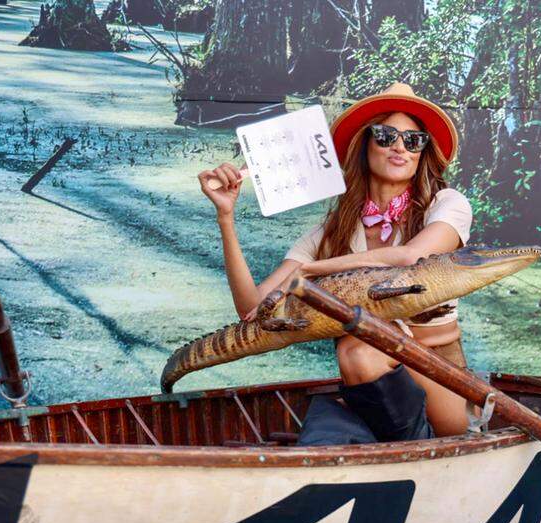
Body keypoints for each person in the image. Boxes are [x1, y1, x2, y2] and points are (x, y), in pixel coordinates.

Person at [198, 82, 473, 445]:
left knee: (356, 350)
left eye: (413, 140)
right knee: (357, 352)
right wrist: (226, 218)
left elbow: (411, 258)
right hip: (373, 379)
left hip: (439, 377)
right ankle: (393, 452)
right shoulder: (333, 232)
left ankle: (409, 449)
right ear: (364, 143)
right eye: (386, 135)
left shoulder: (447, 204)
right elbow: (252, 306)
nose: (399, 147)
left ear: (423, 152)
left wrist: (312, 270)